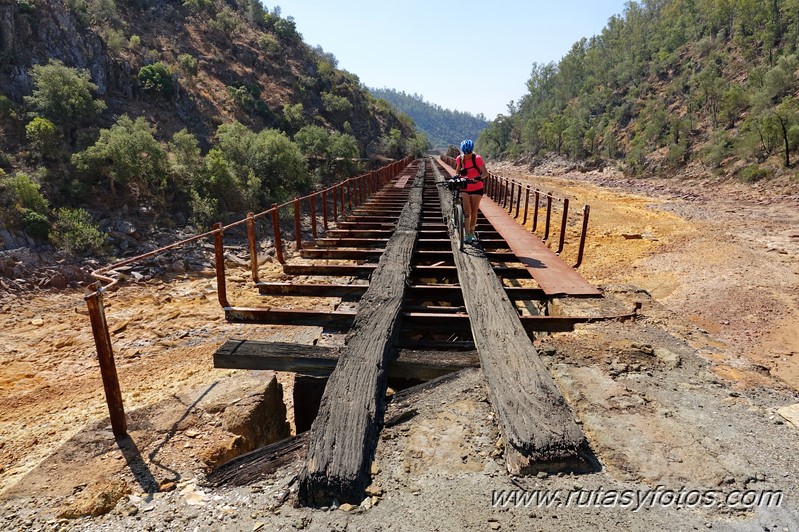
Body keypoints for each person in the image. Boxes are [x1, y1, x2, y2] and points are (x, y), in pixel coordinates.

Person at [452, 139, 487, 243]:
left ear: (472, 151)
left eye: (469, 153)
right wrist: (458, 176)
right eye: (465, 153)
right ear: (463, 152)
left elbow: (485, 173)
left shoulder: (477, 158)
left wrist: (479, 177)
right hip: (464, 188)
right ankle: (466, 234)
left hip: (477, 187)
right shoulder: (460, 159)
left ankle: (472, 231)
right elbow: (457, 171)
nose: (467, 155)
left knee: (474, 210)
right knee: (467, 211)